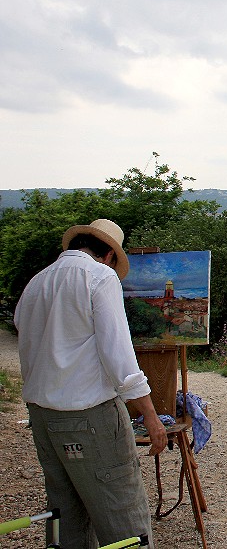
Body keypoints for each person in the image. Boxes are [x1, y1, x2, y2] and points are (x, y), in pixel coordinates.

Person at [14, 218, 167, 548]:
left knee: (65, 514)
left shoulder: (36, 283)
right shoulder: (99, 276)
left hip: (42, 416)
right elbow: (119, 356)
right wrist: (150, 415)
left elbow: (26, 350)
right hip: (88, 416)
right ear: (109, 255)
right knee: (122, 513)